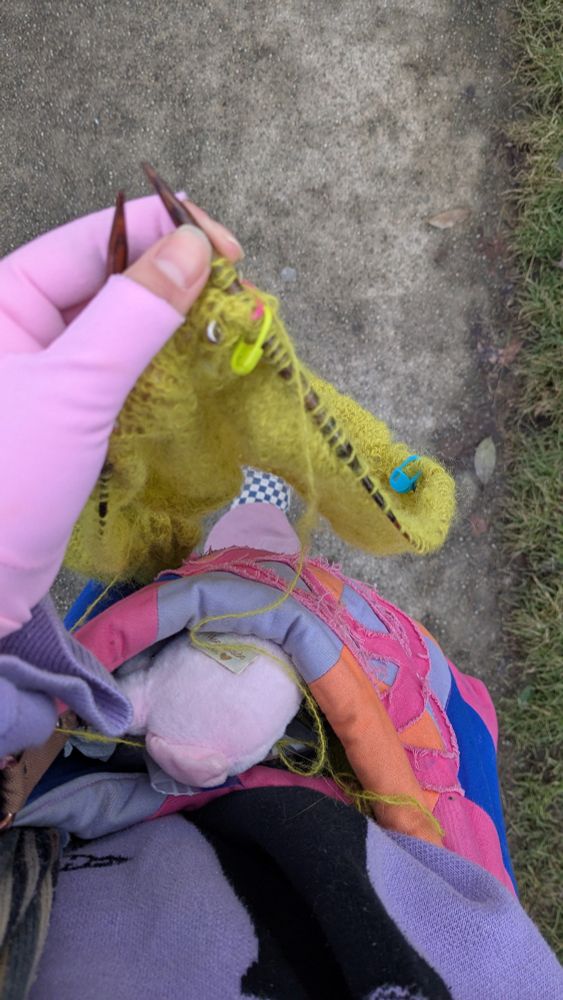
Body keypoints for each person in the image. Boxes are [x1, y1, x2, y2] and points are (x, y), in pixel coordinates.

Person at [0, 197, 561, 1000]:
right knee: (178, 605)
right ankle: (246, 535)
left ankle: (230, 542)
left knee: (127, 611)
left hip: (71, 844)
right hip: (376, 875)